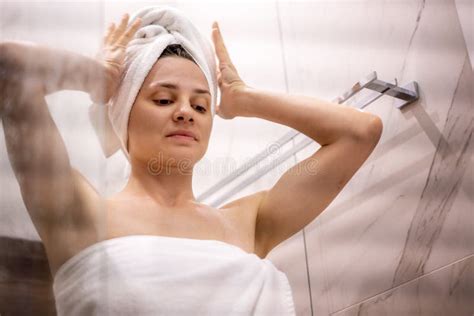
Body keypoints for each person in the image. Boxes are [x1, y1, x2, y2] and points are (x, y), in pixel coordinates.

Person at [0, 7, 383, 315]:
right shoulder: (78, 213)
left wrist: (245, 98)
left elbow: (359, 133)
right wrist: (96, 77)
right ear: (123, 118)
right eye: (164, 100)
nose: (186, 112)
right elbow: (9, 66)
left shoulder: (248, 223)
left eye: (200, 105)